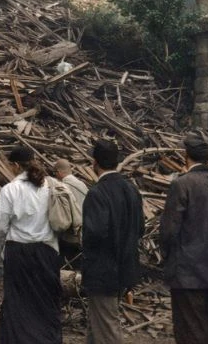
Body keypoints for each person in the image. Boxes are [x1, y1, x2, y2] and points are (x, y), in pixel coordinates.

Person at [159, 132, 208, 344]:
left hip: (188, 274)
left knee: (191, 331)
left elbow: (169, 231)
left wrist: (167, 257)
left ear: (187, 154)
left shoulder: (182, 184)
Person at [79, 141, 143, 344]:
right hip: (125, 267)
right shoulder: (131, 190)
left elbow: (95, 233)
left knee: (107, 327)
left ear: (95, 163)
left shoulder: (97, 193)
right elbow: (140, 228)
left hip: (103, 270)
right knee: (97, 323)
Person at [0, 146, 60, 344]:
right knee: (44, 302)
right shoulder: (50, 186)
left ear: (15, 166)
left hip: (19, 252)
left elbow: (0, 227)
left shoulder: (10, 190)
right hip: (47, 251)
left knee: (18, 303)